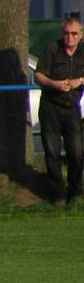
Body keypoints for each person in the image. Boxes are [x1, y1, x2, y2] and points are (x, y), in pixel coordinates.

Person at [34, 16, 84, 205]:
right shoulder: (52, 49)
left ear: (81, 35)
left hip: (72, 107)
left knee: (77, 152)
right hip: (50, 106)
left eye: (74, 34)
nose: (69, 37)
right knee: (52, 153)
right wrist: (53, 84)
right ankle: (58, 195)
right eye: (66, 33)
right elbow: (38, 75)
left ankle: (76, 193)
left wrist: (78, 81)